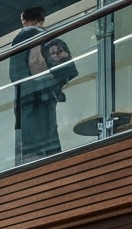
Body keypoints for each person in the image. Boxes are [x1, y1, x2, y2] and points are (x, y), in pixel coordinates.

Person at [10, 7, 78, 163]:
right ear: (42, 20)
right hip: (48, 93)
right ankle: (54, 162)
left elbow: (16, 74)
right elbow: (66, 67)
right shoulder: (50, 38)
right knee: (49, 131)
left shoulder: (22, 38)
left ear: (24, 20)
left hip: (28, 96)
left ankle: (35, 167)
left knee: (30, 137)